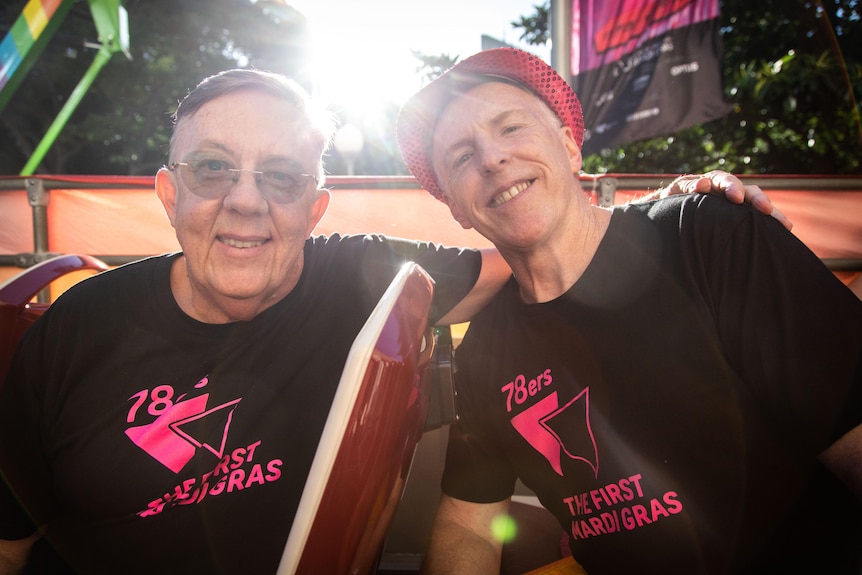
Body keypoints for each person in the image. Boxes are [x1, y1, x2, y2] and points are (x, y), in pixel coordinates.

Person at [0, 67, 778, 575]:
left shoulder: (361, 273)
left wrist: (665, 221)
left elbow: (535, 247)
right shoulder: (71, 335)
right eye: (213, 170)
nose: (246, 200)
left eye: (281, 176)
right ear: (168, 194)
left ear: (316, 206)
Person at [396, 47, 862, 575]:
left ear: (570, 148)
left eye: (510, 128)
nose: (491, 159)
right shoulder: (481, 352)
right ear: (456, 208)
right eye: (460, 156)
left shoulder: (708, 235)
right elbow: (468, 523)